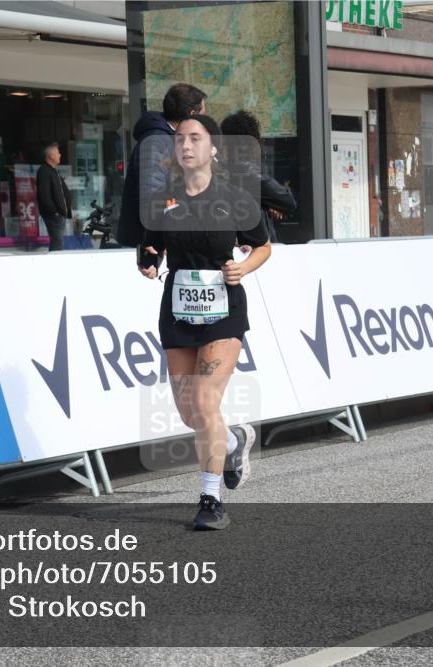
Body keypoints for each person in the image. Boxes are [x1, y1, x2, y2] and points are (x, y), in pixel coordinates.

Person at [138, 115, 271, 531]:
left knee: (204, 403)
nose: (186, 145)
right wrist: (147, 261)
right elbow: (151, 246)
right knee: (187, 411)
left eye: (195, 138)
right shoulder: (163, 200)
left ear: (213, 148)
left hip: (222, 312)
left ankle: (211, 499)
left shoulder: (234, 198)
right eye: (180, 139)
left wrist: (243, 267)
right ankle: (234, 440)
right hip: (178, 311)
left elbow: (264, 247)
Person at [118, 83, 207, 248]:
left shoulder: (169, 140)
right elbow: (152, 196)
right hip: (149, 246)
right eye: (203, 116)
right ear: (192, 114)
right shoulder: (158, 142)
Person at [220, 110, 296, 242]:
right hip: (257, 246)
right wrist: (273, 202)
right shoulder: (248, 171)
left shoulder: (222, 169)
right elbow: (289, 201)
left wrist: (269, 202)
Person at [36, 142, 72, 251]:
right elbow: (44, 195)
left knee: (58, 243)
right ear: (51, 155)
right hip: (54, 215)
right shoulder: (44, 171)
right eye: (58, 152)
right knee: (57, 244)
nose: (60, 155)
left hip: (59, 214)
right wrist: (54, 212)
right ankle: (55, 265)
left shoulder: (53, 171)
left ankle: (56, 263)